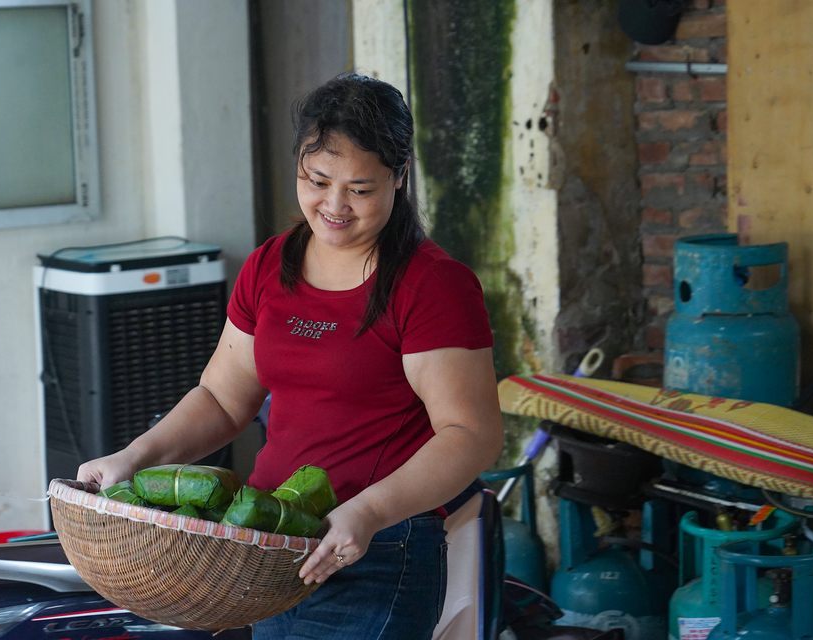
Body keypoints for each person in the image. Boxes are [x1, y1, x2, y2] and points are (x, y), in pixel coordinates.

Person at [77, 72, 504, 640]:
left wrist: (370, 513)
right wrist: (133, 458)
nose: (334, 206)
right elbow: (223, 400)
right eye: (318, 179)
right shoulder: (269, 265)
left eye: (361, 188)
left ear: (399, 178)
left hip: (376, 550)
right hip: (268, 549)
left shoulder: (432, 285)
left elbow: (471, 433)